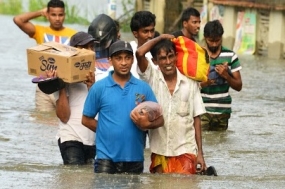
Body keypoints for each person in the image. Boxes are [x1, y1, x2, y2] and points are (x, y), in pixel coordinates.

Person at [81, 40, 164, 174]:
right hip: (105, 159)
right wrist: (107, 130)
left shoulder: (143, 88)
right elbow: (86, 119)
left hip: (135, 158)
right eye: (118, 58)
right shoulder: (98, 88)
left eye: (127, 58)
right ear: (110, 61)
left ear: (132, 60)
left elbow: (160, 120)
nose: (124, 62)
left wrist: (146, 124)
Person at [136, 34, 207, 174]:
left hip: (186, 151)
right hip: (159, 151)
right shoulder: (152, 78)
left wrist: (200, 154)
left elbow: (196, 119)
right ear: (155, 61)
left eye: (171, 56)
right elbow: (139, 53)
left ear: (176, 57)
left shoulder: (190, 83)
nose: (168, 62)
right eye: (162, 58)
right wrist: (161, 37)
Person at [13, 0, 77, 112]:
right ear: (47, 15)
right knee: (42, 122)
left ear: (64, 15)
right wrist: (40, 12)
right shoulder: (40, 31)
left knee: (62, 123)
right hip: (43, 87)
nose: (57, 18)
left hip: (65, 87)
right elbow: (18, 20)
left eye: (60, 15)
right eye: (53, 14)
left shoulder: (73, 34)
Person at [54, 31, 96, 165]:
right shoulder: (62, 76)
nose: (89, 51)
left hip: (93, 140)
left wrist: (92, 87)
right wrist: (61, 86)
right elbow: (63, 116)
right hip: (70, 137)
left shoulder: (99, 75)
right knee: (74, 177)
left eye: (91, 47)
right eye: (84, 47)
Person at [199, 20, 242, 131]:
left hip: (223, 112)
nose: (214, 44)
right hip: (202, 110)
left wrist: (226, 75)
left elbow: (238, 86)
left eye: (217, 40)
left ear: (221, 37)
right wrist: (205, 82)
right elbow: (190, 85)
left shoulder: (230, 56)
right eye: (211, 41)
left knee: (221, 144)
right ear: (205, 37)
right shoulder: (198, 55)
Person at [129, 11, 157, 78]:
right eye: (145, 31)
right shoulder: (129, 52)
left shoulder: (160, 51)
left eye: (152, 31)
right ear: (135, 34)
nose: (150, 35)